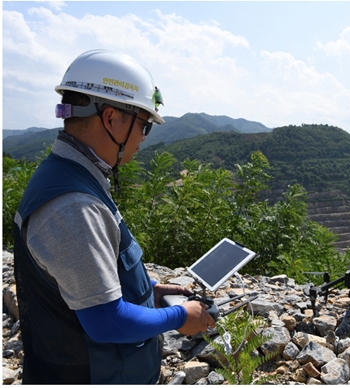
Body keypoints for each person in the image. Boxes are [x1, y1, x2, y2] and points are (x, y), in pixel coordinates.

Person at [13, 49, 215, 384]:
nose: (143, 138)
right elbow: (106, 321)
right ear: (111, 119)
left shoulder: (74, 176)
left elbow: (89, 275)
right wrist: (181, 315)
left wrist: (150, 290)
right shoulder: (74, 207)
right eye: (144, 125)